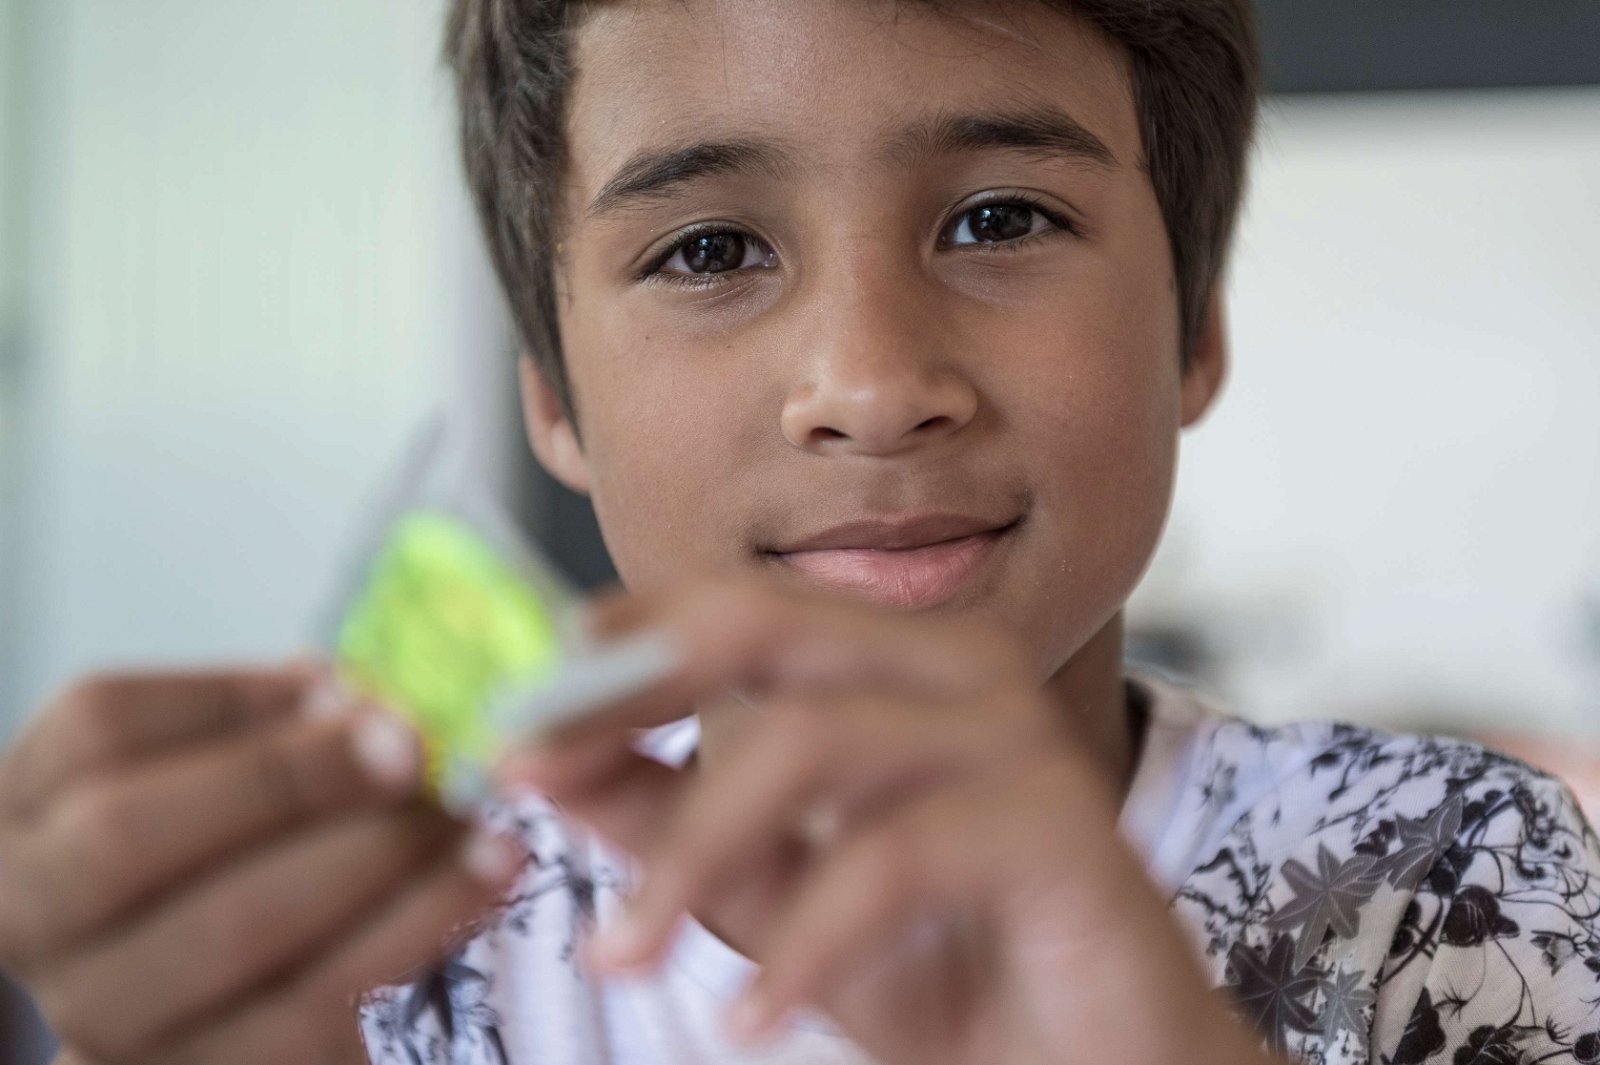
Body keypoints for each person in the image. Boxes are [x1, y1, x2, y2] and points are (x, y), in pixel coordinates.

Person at [2, 2, 1596, 1063]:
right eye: (708, 248)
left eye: (999, 218)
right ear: (553, 397)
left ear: (1191, 331)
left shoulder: (1453, 873)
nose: (871, 386)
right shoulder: (396, 950)